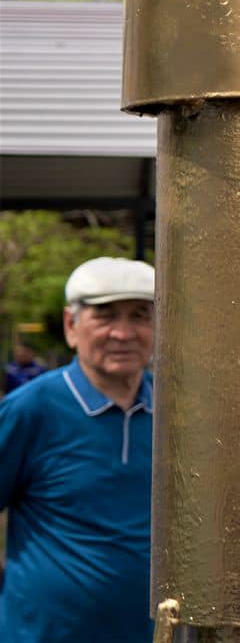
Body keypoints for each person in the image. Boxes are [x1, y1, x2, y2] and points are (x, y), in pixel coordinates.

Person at [0, 257, 156, 643]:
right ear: (72, 326)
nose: (123, 333)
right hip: (42, 633)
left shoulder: (180, 414)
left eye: (139, 316)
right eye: (105, 317)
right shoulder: (31, 408)